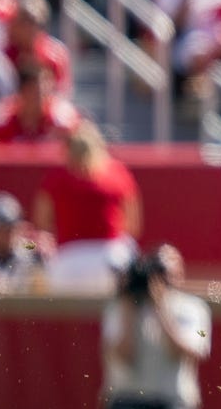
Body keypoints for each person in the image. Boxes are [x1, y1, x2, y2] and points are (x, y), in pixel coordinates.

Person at [100, 243, 212, 409]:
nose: (158, 281)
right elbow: (125, 356)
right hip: (129, 399)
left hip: (175, 400)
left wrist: (161, 308)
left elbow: (191, 351)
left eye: (164, 274)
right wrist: (129, 306)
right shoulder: (119, 308)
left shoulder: (193, 309)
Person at [33, 120, 141, 295]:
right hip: (112, 261)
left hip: (67, 264)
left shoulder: (55, 178)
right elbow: (133, 226)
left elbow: (42, 224)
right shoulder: (118, 173)